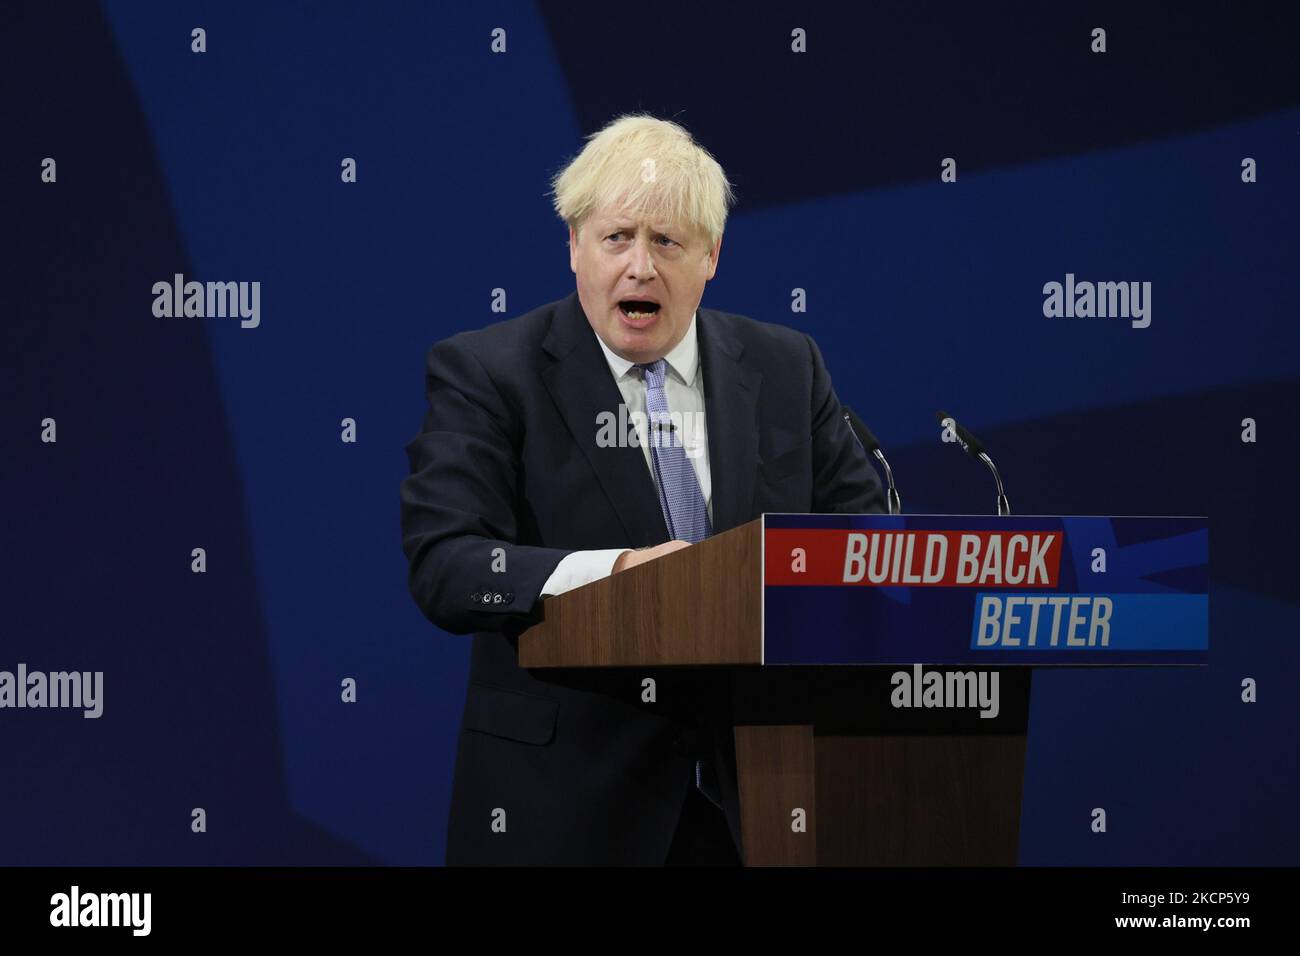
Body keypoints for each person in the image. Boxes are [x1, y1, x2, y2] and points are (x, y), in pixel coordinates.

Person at [400, 113, 884, 865]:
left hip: (762, 803)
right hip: (566, 814)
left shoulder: (787, 366)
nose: (640, 267)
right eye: (617, 237)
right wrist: (616, 575)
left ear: (712, 255)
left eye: (667, 242)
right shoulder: (490, 372)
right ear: (574, 247)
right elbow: (448, 566)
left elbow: (867, 548)